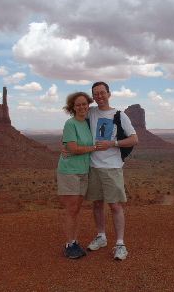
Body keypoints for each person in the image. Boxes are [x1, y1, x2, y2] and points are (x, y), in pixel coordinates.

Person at [86, 81, 138, 260]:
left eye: (102, 92)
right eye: (96, 94)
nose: (99, 96)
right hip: (93, 166)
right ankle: (101, 236)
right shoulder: (91, 112)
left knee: (115, 205)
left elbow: (134, 139)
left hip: (112, 167)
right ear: (93, 97)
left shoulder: (119, 115)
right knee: (97, 204)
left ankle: (120, 244)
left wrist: (112, 143)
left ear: (109, 94)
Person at [57, 92, 97, 259]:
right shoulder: (70, 124)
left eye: (84, 104)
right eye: (78, 104)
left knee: (77, 209)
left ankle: (74, 241)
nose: (81, 107)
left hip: (83, 171)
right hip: (70, 172)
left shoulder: (87, 123)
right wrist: (94, 148)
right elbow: (73, 148)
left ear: (88, 105)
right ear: (72, 108)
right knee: (72, 209)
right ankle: (69, 243)